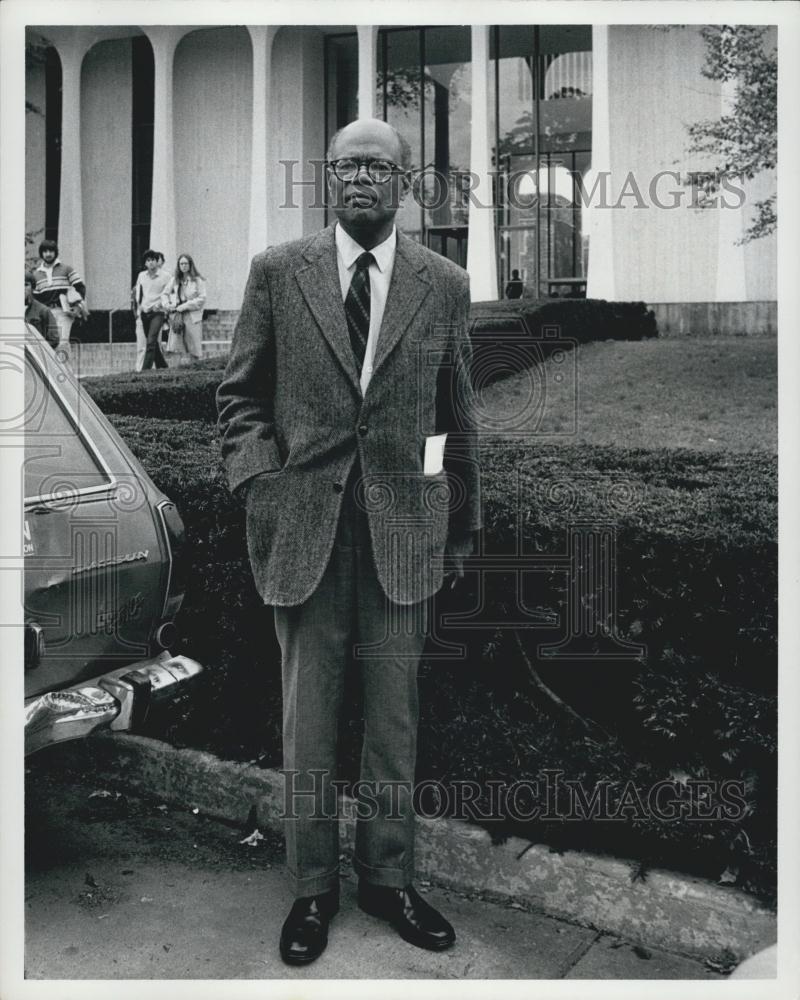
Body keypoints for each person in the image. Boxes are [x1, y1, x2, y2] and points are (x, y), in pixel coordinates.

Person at [217, 117, 481, 967]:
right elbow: (239, 398)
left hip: (404, 534)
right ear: (328, 178)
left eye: (379, 166)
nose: (361, 178)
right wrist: (262, 484)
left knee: (393, 723)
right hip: (305, 531)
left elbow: (455, 411)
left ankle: (388, 879)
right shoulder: (277, 272)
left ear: (406, 183)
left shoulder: (442, 283)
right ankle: (310, 889)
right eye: (347, 165)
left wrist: (457, 518)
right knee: (311, 721)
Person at [32, 239, 86, 359]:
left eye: (51, 251)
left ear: (55, 252)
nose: (48, 254)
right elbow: (35, 298)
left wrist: (78, 307)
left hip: (63, 312)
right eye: (45, 251)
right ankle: (63, 373)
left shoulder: (66, 269)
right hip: (46, 313)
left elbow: (80, 287)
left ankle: (64, 375)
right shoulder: (36, 275)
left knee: (62, 342)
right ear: (41, 253)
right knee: (51, 344)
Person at [162, 253, 207, 364]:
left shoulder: (198, 280)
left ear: (190, 265)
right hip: (177, 316)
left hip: (192, 316)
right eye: (181, 263)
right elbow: (164, 294)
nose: (184, 266)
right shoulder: (175, 280)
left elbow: (202, 298)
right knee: (175, 346)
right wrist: (168, 305)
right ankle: (176, 372)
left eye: (186, 263)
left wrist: (185, 306)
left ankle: (193, 371)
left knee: (194, 348)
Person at [134, 249, 171, 370]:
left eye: (153, 260)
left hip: (158, 313)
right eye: (148, 260)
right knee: (152, 343)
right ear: (145, 263)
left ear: (157, 261)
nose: (151, 263)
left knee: (150, 342)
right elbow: (139, 294)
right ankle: (164, 367)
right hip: (145, 312)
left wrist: (161, 304)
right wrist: (139, 308)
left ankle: (145, 372)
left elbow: (171, 293)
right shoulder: (141, 276)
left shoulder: (165, 276)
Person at [24, 271, 60, 350]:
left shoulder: (43, 310)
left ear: (32, 287)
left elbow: (54, 340)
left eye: (26, 285)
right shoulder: (7, 310)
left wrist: (37, 347)